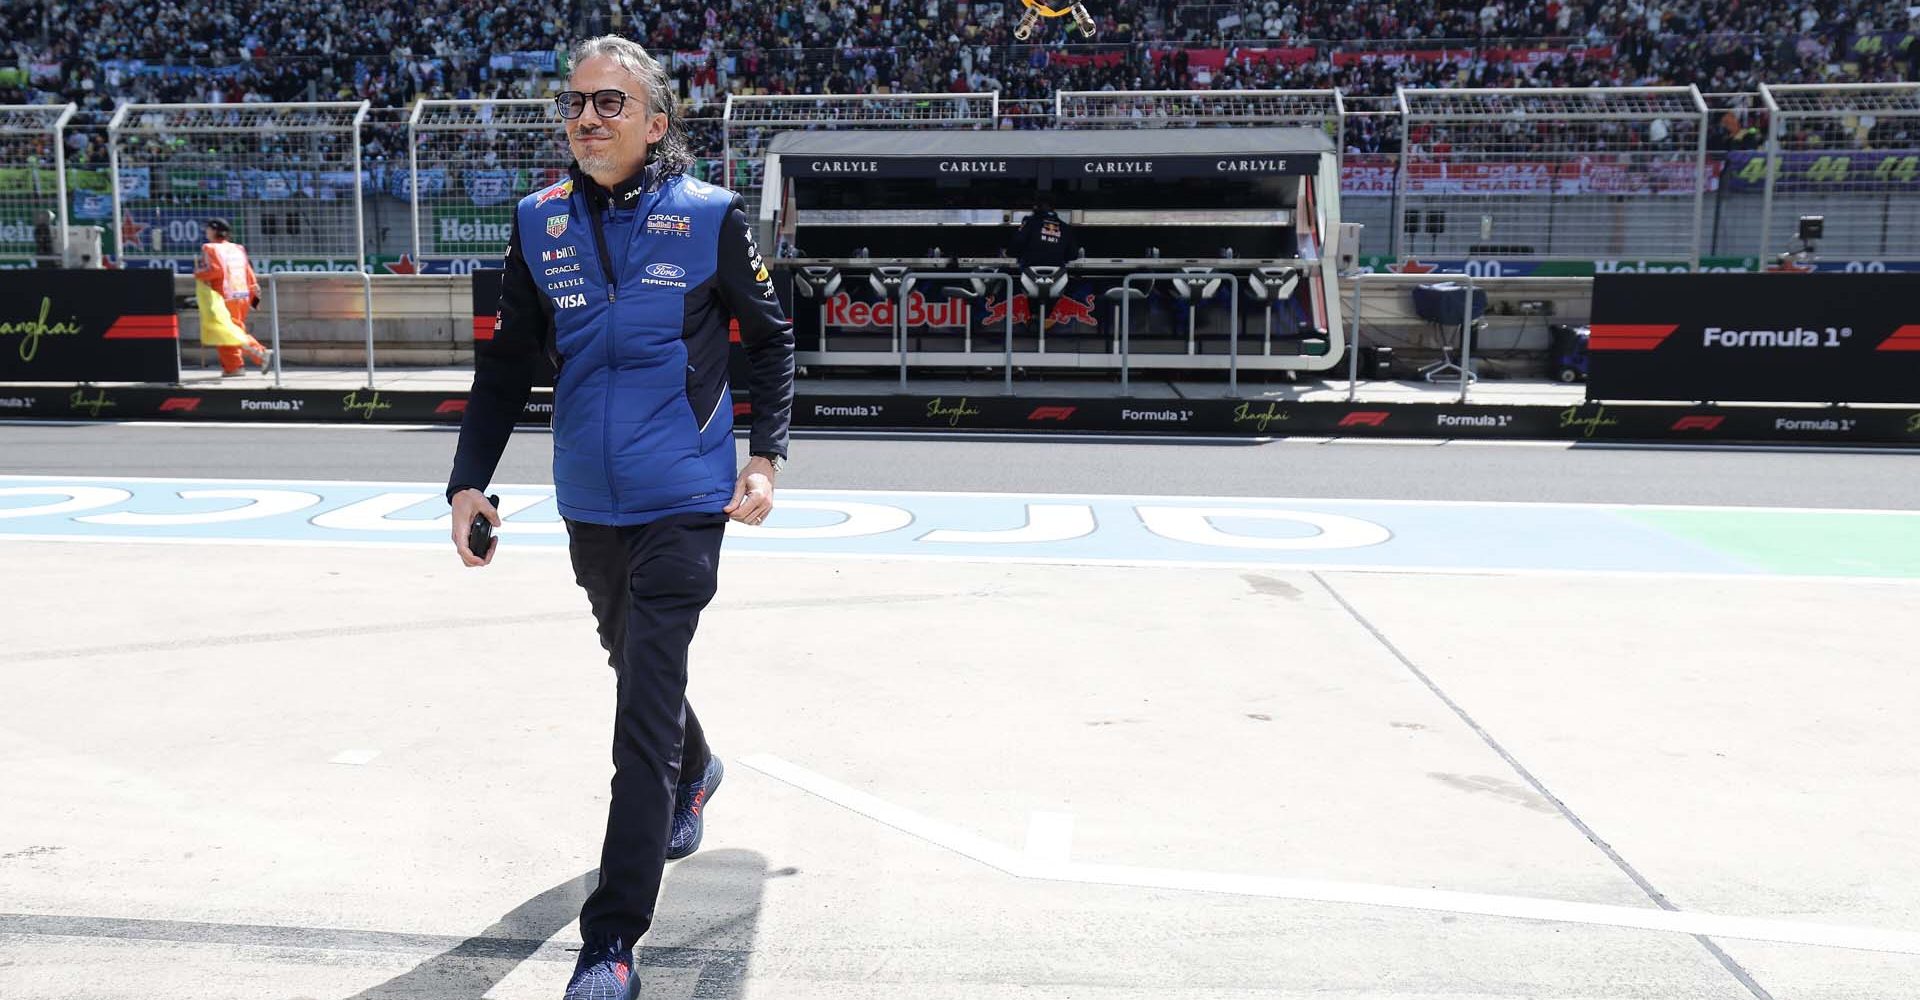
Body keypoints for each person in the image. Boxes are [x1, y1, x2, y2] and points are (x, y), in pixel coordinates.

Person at [444, 34, 794, 1000]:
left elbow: (771, 344)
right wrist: (468, 482)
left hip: (685, 497)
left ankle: (610, 942)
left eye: (608, 104)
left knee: (638, 710)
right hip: (587, 504)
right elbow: (507, 365)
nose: (586, 119)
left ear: (655, 119)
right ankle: (700, 764)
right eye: (575, 104)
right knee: (627, 656)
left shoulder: (713, 218)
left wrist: (764, 458)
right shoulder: (536, 221)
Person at [191, 218, 270, 376]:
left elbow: (214, 270)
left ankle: (260, 353)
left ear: (214, 230)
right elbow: (249, 272)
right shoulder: (238, 248)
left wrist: (197, 273)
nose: (206, 232)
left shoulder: (210, 248)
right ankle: (234, 367)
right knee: (228, 330)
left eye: (207, 229)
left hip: (223, 297)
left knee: (226, 331)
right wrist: (254, 297)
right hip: (242, 295)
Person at [1008, 197, 1078, 270]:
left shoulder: (1030, 222)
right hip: (1056, 275)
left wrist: (1010, 253)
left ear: (1036, 208)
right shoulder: (1065, 227)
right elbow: (1073, 255)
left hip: (1030, 273)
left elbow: (1016, 245)